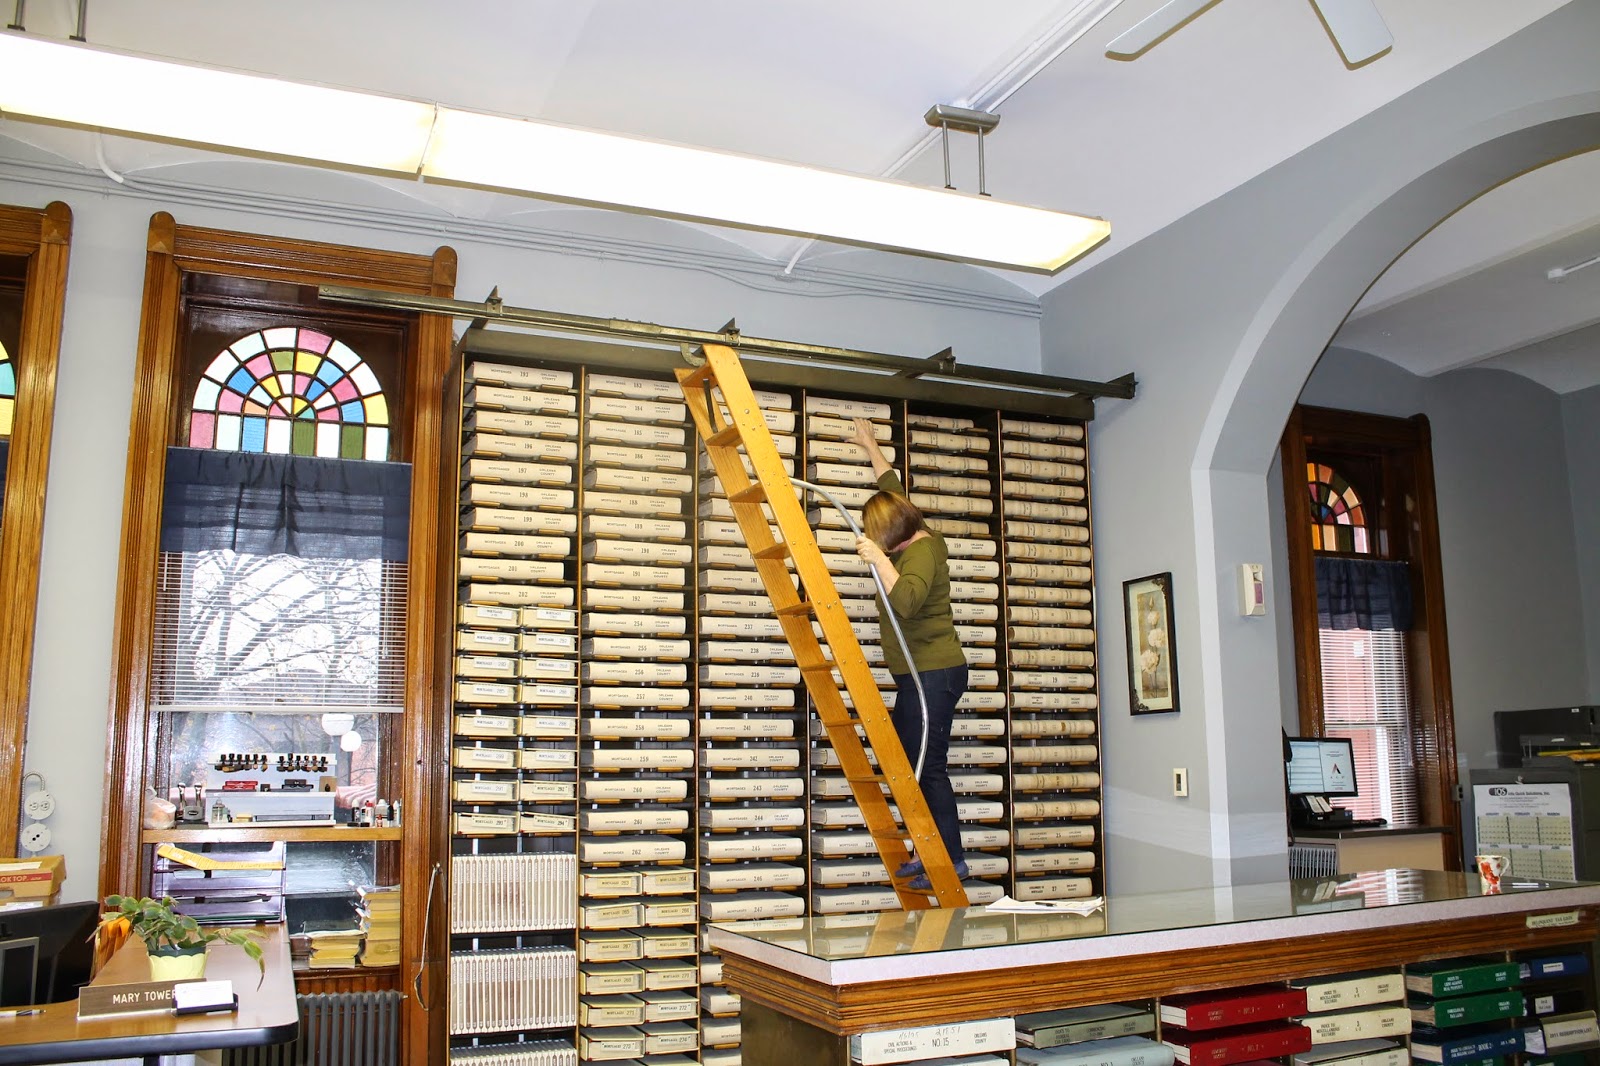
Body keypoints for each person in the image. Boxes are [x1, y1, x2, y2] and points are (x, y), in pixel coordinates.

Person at [850, 417, 970, 889]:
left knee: (928, 766)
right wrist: (871, 446)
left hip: (935, 673)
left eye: (875, 535)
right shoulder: (914, 528)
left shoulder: (917, 555)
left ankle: (952, 858)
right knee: (909, 762)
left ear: (891, 537)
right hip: (917, 676)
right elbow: (892, 486)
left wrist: (879, 561)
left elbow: (906, 603)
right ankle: (929, 849)